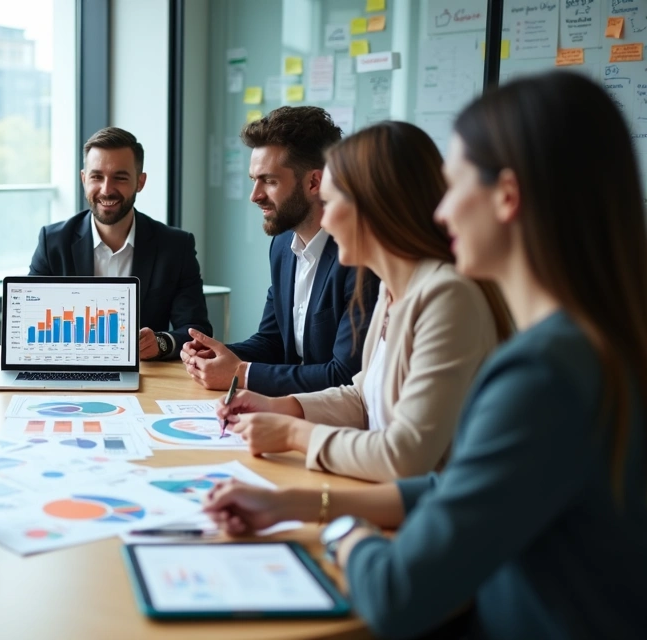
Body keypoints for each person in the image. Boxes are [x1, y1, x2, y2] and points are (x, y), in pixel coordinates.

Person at [204, 72, 647, 638]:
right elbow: (457, 484)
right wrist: (298, 503)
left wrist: (337, 527)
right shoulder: (581, 347)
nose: (441, 213)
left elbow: (396, 594)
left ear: (506, 197)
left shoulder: (544, 372)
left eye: (455, 184)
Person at [216, 121, 512, 482]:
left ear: (374, 207)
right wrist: (281, 407)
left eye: (333, 199)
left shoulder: (446, 296)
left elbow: (405, 457)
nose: (328, 217)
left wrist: (293, 434)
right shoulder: (393, 288)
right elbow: (362, 395)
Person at [182, 107, 378, 394]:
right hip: (288, 410)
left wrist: (242, 374)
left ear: (314, 182)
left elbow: (346, 374)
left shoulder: (360, 256)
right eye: (253, 180)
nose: (255, 196)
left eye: (270, 181)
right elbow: (272, 342)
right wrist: (215, 354)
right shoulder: (283, 246)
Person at [28, 126, 211, 360]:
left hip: (146, 377)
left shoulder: (176, 246)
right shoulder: (52, 242)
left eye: (120, 178)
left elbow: (197, 330)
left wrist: (162, 342)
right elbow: (28, 323)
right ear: (84, 179)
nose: (106, 190)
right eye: (96, 177)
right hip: (70, 371)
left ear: (140, 182)